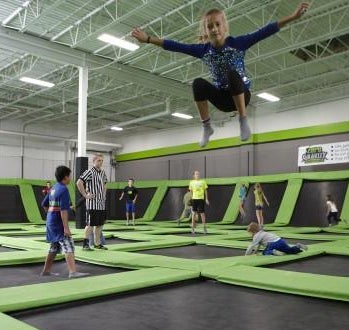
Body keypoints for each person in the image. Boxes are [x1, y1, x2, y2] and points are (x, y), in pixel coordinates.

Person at [132, 3, 310, 148]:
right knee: (198, 84)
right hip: (223, 100)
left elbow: (266, 30)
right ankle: (207, 127)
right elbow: (174, 45)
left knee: (233, 74)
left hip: (241, 95)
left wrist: (293, 16)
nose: (214, 29)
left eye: (217, 24)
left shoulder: (238, 43)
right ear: (206, 30)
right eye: (210, 26)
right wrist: (148, 39)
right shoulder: (202, 50)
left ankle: (243, 120)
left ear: (224, 26)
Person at [40, 166, 89, 279]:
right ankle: (73, 272)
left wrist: (50, 215)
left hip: (51, 222)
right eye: (70, 176)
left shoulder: (53, 188)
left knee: (54, 246)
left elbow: (44, 204)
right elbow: (63, 211)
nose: (70, 178)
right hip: (58, 224)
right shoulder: (63, 189)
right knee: (68, 245)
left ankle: (46, 271)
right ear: (65, 177)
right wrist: (66, 228)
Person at [76, 153, 108, 250]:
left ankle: (97, 244)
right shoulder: (89, 172)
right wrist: (85, 195)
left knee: (99, 224)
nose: (101, 162)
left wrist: (104, 194)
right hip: (92, 204)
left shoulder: (102, 172)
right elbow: (79, 182)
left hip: (101, 204)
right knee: (90, 224)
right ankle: (85, 244)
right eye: (99, 160)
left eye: (102, 160)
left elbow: (105, 183)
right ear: (94, 161)